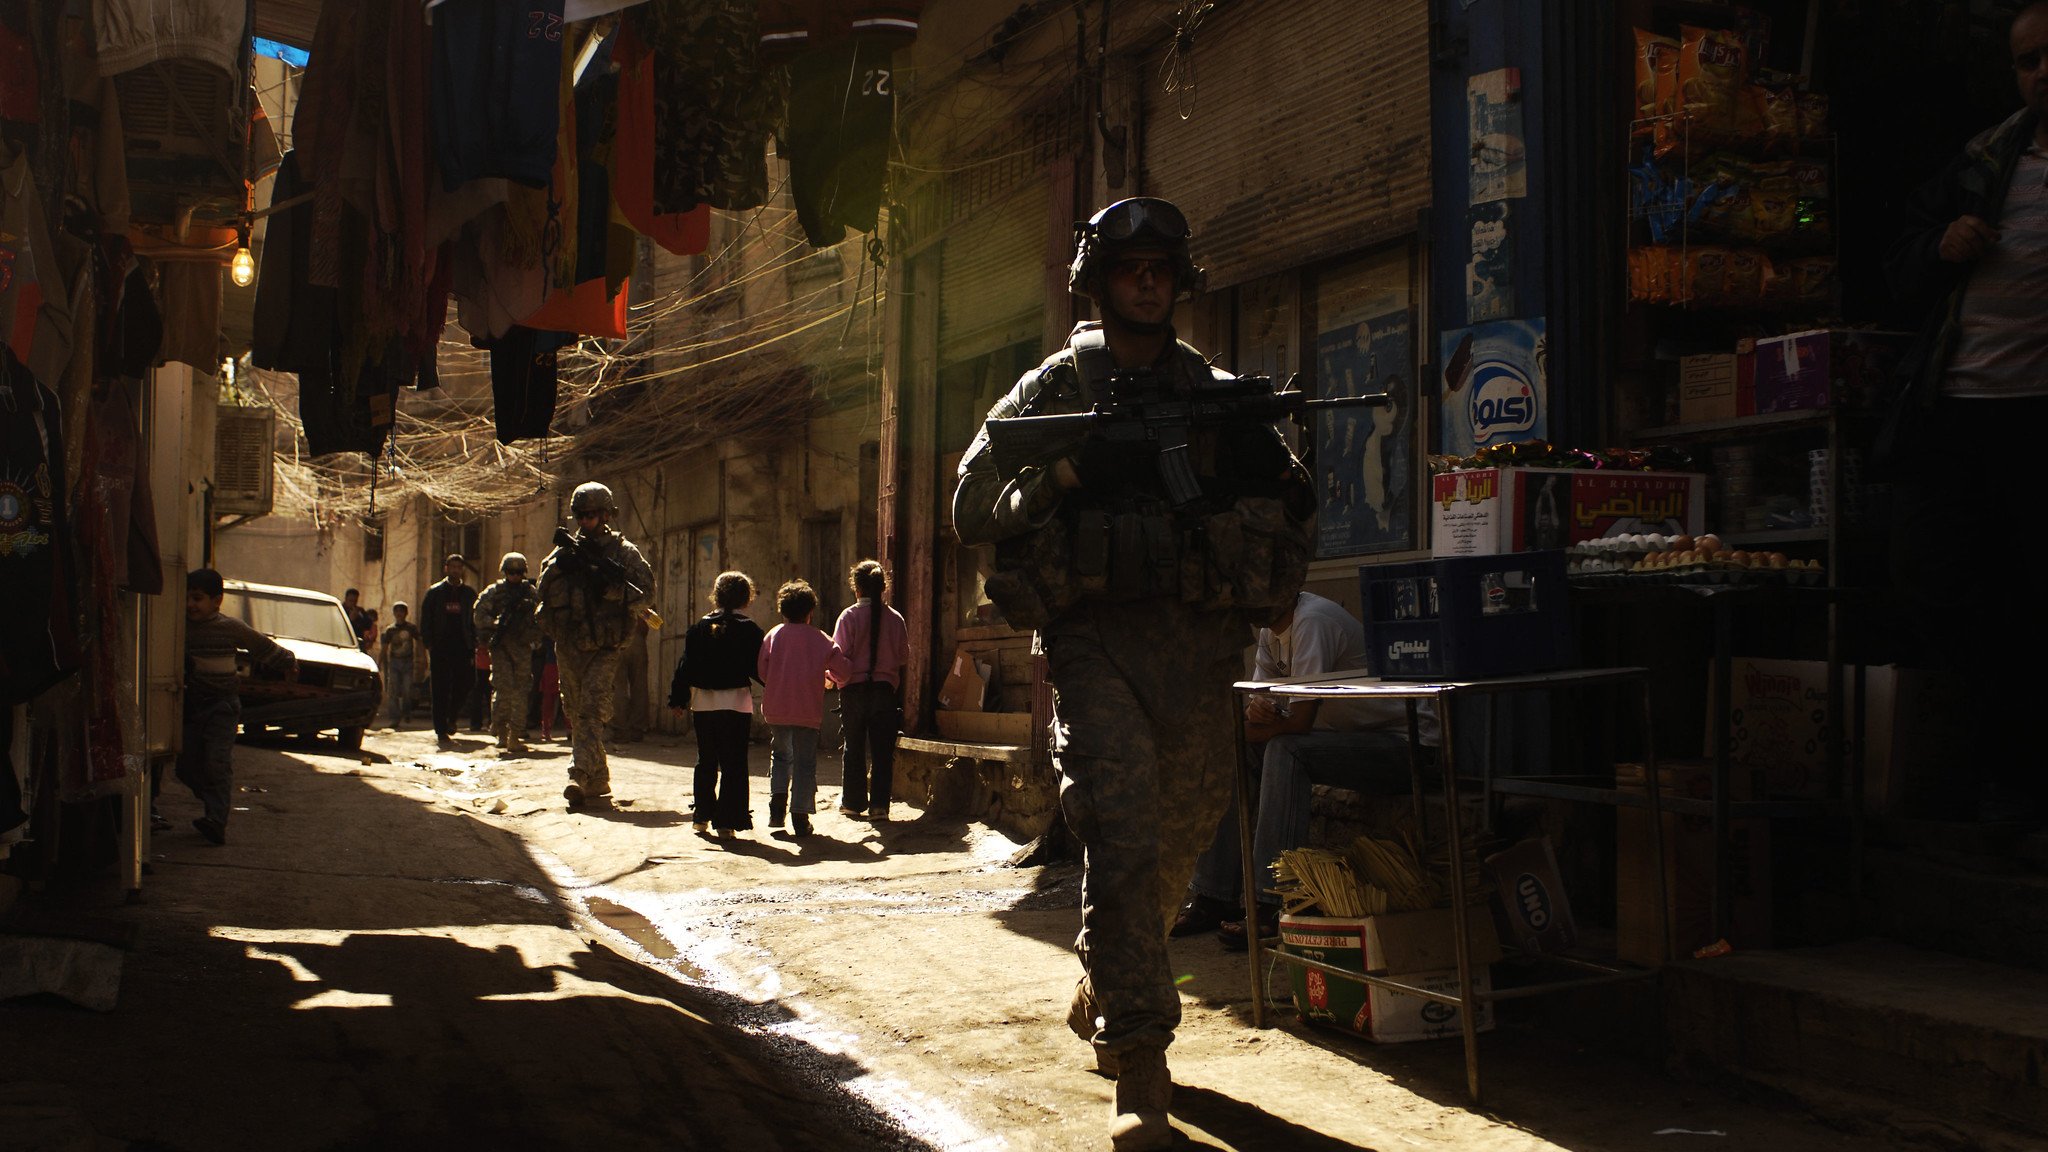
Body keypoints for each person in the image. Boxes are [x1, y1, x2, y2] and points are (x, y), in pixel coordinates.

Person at [952, 196, 1313, 1149]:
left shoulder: (1218, 394)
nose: (1147, 283)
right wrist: (1071, 471)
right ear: (1098, 282)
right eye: (1129, 270)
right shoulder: (1051, 389)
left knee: (1180, 844)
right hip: (1095, 640)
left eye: (1161, 268)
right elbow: (972, 503)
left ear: (1179, 280)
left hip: (1199, 646)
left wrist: (1268, 554)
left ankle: (1110, 974)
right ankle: (1141, 1061)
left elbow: (1293, 499)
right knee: (1119, 830)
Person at [1883, 1, 2048, 820]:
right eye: (2028, 60)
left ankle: (2017, 784)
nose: (2043, 70)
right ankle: (1992, 781)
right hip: (1956, 413)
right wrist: (1939, 246)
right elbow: (1901, 262)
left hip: (2036, 420)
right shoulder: (1987, 158)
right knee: (1939, 585)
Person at [1170, 590, 1416, 951]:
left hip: (1401, 745)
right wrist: (1249, 723)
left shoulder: (1313, 621)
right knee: (1236, 750)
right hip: (1348, 740)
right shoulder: (1271, 633)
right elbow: (1255, 712)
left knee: (1287, 751)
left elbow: (1298, 723)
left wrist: (1247, 727)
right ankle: (1214, 895)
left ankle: (1270, 903)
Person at [538, 482, 655, 810]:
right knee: (574, 710)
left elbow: (646, 592)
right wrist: (562, 568)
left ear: (606, 514)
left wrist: (612, 589)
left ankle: (579, 775)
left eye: (592, 514)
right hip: (570, 643)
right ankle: (599, 777)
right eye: (580, 515)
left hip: (606, 645)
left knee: (591, 710)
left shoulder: (623, 552)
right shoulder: (565, 552)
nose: (586, 520)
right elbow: (542, 590)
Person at [180, 568, 297, 845]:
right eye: (187, 598)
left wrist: (288, 661)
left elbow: (261, 647)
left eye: (197, 598)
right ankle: (212, 800)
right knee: (184, 766)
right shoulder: (180, 628)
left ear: (217, 601)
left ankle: (216, 821)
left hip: (222, 706)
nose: (190, 605)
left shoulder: (229, 627)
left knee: (216, 763)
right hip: (191, 706)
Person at [669, 571, 766, 836]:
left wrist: (678, 699)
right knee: (733, 761)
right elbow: (760, 668)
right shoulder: (749, 629)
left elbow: (684, 667)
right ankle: (727, 821)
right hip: (736, 704)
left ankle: (701, 816)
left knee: (706, 760)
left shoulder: (699, 628)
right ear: (746, 597)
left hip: (702, 705)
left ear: (717, 595)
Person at [758, 579, 850, 838]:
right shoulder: (821, 639)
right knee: (804, 762)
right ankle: (800, 815)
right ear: (811, 612)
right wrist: (830, 678)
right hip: (807, 710)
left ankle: (777, 805)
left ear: (783, 611)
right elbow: (843, 670)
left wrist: (779, 682)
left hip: (776, 707)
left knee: (780, 755)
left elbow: (763, 670)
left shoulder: (773, 635)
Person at [828, 559, 907, 822]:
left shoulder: (848, 617)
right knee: (882, 750)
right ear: (883, 587)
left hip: (853, 691)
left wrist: (835, 678)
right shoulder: (895, 618)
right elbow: (903, 656)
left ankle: (852, 802)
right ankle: (879, 807)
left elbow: (839, 657)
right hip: (884, 692)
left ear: (856, 588)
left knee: (854, 746)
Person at [474, 551, 544, 756]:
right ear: (504, 572)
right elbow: (479, 615)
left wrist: (533, 635)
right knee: (503, 689)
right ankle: (501, 732)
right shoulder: (494, 592)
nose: (514, 576)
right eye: (511, 572)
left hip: (522, 646)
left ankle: (515, 734)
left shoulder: (530, 594)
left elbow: (542, 617)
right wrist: (495, 624)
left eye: (518, 572)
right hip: (502, 647)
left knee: (522, 689)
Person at [419, 554, 478, 745]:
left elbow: (474, 621)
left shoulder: (469, 594)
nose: (455, 570)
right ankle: (441, 730)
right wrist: (429, 643)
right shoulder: (435, 593)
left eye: (458, 567)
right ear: (446, 568)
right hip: (440, 647)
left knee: (467, 682)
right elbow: (426, 620)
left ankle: (452, 716)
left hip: (463, 647)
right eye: (452, 566)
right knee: (439, 688)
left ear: (462, 570)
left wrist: (475, 643)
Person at [378, 602, 421, 727]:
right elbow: (385, 647)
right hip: (394, 663)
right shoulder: (390, 630)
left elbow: (419, 641)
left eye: (401, 611)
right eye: (397, 611)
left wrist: (422, 658)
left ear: (406, 613)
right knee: (393, 691)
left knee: (407, 689)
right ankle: (394, 718)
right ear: (394, 613)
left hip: (408, 662)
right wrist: (380, 662)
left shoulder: (411, 628)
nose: (399, 614)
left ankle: (407, 712)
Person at [610, 616, 652, 742]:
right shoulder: (642, 595)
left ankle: (620, 729)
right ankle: (637, 728)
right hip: (637, 636)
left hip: (616, 639)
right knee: (639, 686)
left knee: (618, 686)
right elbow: (652, 618)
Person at [537, 635, 562, 741]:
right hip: (559, 663)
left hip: (553, 664)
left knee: (548, 700)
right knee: (569, 697)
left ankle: (546, 731)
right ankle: (570, 730)